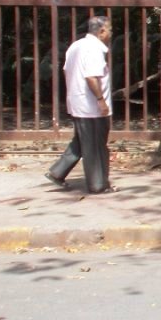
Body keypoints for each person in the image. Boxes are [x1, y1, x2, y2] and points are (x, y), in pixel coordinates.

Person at [45, 15, 117, 194]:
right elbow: (91, 77)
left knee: (81, 141)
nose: (111, 33)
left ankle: (57, 172)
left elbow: (66, 71)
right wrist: (100, 100)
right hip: (91, 106)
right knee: (96, 146)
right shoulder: (94, 49)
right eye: (110, 30)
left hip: (78, 103)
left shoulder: (76, 46)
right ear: (101, 31)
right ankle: (98, 184)